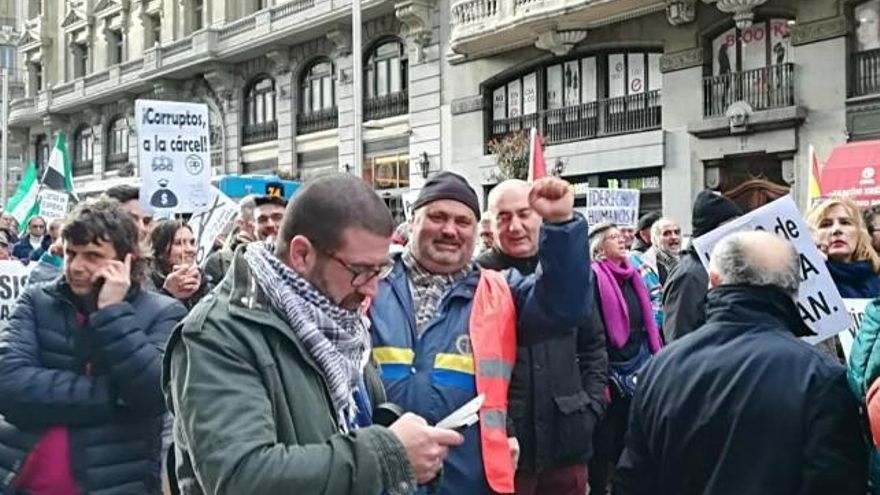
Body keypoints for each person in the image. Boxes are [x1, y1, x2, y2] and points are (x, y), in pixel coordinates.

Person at [164, 174, 464, 495]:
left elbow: (358, 427)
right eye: (361, 270)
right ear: (302, 254)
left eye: (381, 269)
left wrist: (410, 450)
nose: (372, 288)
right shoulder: (217, 334)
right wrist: (387, 455)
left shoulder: (342, 321)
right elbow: (241, 478)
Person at [369, 172, 591, 495]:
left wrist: (560, 225)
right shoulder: (368, 281)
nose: (449, 229)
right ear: (412, 220)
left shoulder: (501, 290)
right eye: (437, 217)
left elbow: (566, 305)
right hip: (376, 475)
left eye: (463, 221)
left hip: (467, 480)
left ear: (477, 231)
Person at [615, 231, 867, 495]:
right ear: (794, 288)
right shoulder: (821, 377)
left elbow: (634, 479)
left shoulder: (661, 368)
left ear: (713, 281)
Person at [0, 198, 187, 494]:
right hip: (22, 482)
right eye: (71, 253)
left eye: (92, 255)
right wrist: (113, 396)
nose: (76, 267)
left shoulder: (164, 313)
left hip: (115, 485)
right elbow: (8, 386)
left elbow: (153, 395)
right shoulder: (37, 301)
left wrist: (112, 313)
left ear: (129, 259)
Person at [476, 180, 607, 495]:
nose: (515, 226)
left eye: (524, 213)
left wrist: (590, 407)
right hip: (507, 450)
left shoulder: (574, 276)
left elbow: (594, 346)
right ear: (490, 226)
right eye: (504, 217)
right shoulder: (478, 278)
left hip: (567, 443)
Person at [587, 222, 663, 495]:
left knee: (632, 429)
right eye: (613, 238)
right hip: (610, 366)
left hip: (639, 358)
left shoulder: (633, 273)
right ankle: (601, 485)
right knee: (607, 435)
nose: (621, 240)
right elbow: (592, 330)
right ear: (599, 248)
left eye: (621, 236)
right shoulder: (594, 276)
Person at [663, 191, 741, 342]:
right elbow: (678, 340)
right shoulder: (689, 275)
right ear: (714, 231)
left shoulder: (717, 265)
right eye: (731, 226)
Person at [809, 197, 880, 298]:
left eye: (845, 222)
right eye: (825, 225)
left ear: (859, 233)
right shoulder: (803, 282)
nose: (836, 230)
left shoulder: (876, 279)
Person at [150, 219, 211, 309]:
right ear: (161, 251)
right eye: (179, 243)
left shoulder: (205, 285)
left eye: (192, 242)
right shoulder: (146, 286)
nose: (190, 249)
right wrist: (167, 293)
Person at [203, 195, 257, 284]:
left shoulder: (275, 258)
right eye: (261, 219)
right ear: (241, 223)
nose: (271, 225)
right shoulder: (218, 262)